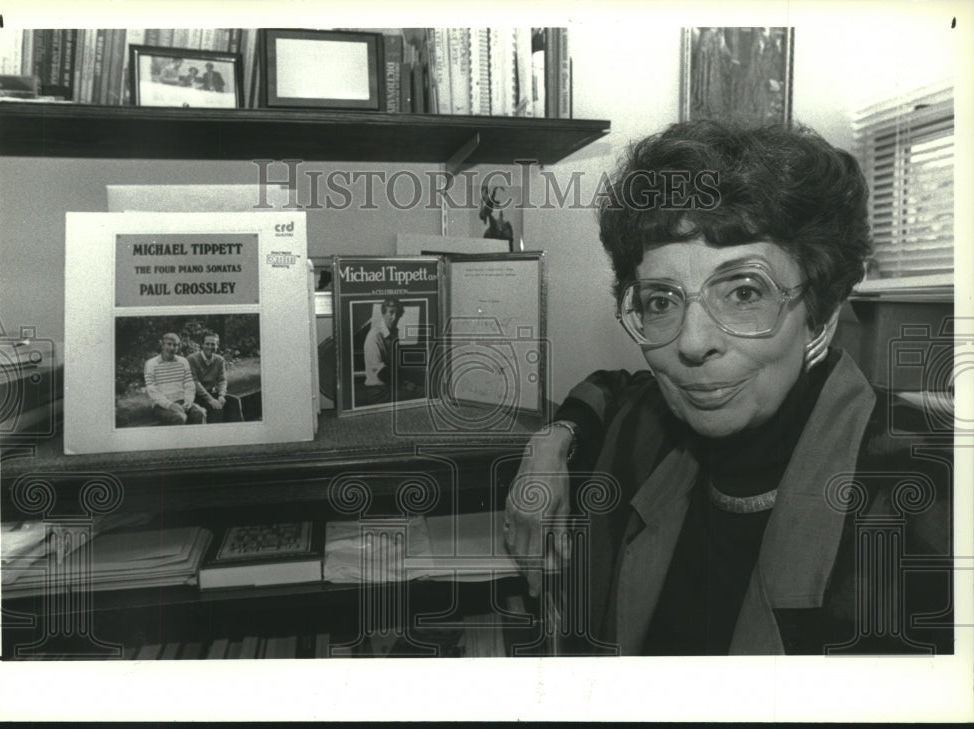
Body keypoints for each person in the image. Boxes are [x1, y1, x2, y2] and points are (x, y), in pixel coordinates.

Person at [504, 120, 952, 655]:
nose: (692, 343)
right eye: (661, 301)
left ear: (820, 312)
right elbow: (612, 390)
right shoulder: (653, 428)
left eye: (743, 293)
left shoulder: (930, 493)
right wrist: (551, 442)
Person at [143, 333, 206, 425]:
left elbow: (189, 384)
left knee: (200, 413)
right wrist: (170, 405)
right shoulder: (151, 364)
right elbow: (152, 390)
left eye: (175, 345)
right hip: (162, 406)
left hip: (182, 401)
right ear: (162, 345)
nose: (172, 348)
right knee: (179, 418)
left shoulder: (183, 361)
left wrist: (188, 401)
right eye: (169, 344)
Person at [186, 331, 244, 424]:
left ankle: (238, 430)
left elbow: (222, 380)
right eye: (207, 344)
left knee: (235, 401)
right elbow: (195, 382)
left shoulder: (219, 360)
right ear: (202, 345)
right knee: (216, 408)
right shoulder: (192, 359)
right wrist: (210, 399)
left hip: (211, 393)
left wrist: (221, 395)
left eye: (213, 344)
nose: (210, 347)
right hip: (195, 396)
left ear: (217, 346)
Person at [360, 298, 403, 405]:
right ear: (383, 314)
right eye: (391, 312)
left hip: (389, 386)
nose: (395, 317)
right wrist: (405, 384)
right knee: (421, 392)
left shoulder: (394, 332)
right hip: (378, 392)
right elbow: (381, 372)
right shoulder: (375, 335)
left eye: (398, 313)